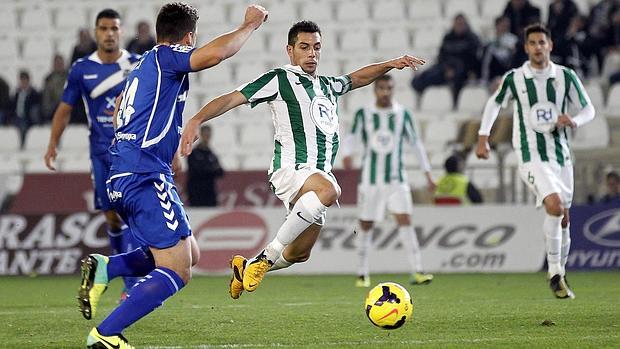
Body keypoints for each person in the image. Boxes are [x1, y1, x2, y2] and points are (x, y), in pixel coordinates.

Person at [180, 20, 426, 300]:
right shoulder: (279, 79)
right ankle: (265, 258)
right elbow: (231, 99)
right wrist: (197, 119)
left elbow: (357, 78)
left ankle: (247, 267)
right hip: (291, 169)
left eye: (317, 48)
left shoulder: (327, 85)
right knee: (330, 190)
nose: (312, 54)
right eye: (304, 47)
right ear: (290, 50)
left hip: (315, 175)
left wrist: (391, 63)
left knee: (299, 253)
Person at [81, 3, 268, 348]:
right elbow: (216, 55)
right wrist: (249, 25)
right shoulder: (166, 55)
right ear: (187, 37)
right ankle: (105, 335)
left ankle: (107, 268)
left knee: (190, 252)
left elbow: (122, 109)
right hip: (143, 175)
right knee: (179, 270)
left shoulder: (141, 66)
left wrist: (162, 148)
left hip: (130, 171)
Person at [476, 24, 595, 299]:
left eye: (542, 42)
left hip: (561, 156)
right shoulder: (515, 78)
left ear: (550, 45)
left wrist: (574, 120)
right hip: (530, 156)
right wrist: (484, 137)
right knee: (553, 205)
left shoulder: (565, 76)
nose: (538, 47)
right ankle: (554, 272)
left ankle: (560, 273)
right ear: (526, 48)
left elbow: (589, 107)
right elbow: (495, 103)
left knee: (563, 217)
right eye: (532, 43)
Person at [44, 9, 143, 306]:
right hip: (100, 153)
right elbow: (65, 108)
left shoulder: (136, 65)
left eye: (114, 28)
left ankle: (131, 284)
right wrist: (52, 144)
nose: (109, 33)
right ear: (96, 32)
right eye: (103, 28)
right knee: (112, 218)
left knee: (134, 214)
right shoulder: (81, 69)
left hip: (131, 152)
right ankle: (119, 268)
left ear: (121, 32)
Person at [341, 74, 435, 288]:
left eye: (389, 88)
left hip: (396, 179)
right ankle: (362, 273)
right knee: (366, 224)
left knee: (405, 220)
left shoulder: (403, 114)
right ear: (375, 90)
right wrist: (347, 153)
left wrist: (428, 173)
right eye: (381, 88)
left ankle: (418, 270)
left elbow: (416, 145)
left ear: (393, 89)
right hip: (370, 180)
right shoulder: (364, 114)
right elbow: (352, 137)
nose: (385, 92)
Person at [411, 14, 480, 108]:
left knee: (457, 77)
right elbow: (441, 56)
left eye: (461, 24)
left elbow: (473, 59)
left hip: (464, 71)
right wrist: (447, 69)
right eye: (457, 24)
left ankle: (455, 104)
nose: (459, 26)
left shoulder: (472, 39)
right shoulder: (448, 37)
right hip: (445, 69)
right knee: (423, 78)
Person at [187, 124, 224, 206]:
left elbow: (220, 172)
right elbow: (196, 171)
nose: (207, 137)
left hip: (210, 191)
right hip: (196, 191)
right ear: (201, 135)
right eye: (205, 134)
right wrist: (211, 170)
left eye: (208, 135)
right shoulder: (194, 153)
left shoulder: (211, 154)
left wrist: (208, 170)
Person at [481, 16, 518, 91]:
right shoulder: (490, 40)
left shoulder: (513, 40)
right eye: (503, 25)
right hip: (492, 75)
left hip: (507, 71)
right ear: (496, 26)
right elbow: (486, 61)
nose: (505, 28)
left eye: (507, 26)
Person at [10, 70, 41, 148]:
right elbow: (12, 106)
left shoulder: (34, 93)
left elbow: (36, 107)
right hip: (17, 117)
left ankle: (23, 145)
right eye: (22, 80)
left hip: (28, 118)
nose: (23, 82)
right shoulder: (17, 93)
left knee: (23, 127)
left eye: (25, 80)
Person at [41, 54, 69, 123]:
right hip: (53, 106)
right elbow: (46, 97)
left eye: (60, 63)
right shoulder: (48, 79)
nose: (59, 65)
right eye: (57, 63)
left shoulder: (69, 77)